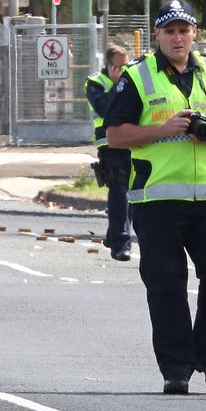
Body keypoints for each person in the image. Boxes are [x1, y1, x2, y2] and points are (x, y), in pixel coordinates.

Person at [104, 0, 206, 395]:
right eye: (170, 31)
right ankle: (177, 368)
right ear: (157, 36)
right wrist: (164, 128)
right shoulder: (137, 76)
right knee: (166, 284)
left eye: (184, 30)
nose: (178, 37)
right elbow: (115, 134)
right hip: (158, 199)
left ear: (194, 33)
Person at [85, 44, 133, 261]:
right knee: (119, 190)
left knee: (132, 192)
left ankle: (113, 235)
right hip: (110, 144)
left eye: (126, 65)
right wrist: (116, 85)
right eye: (119, 66)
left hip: (133, 141)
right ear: (109, 65)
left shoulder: (133, 78)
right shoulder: (96, 82)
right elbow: (105, 109)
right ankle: (121, 243)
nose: (123, 70)